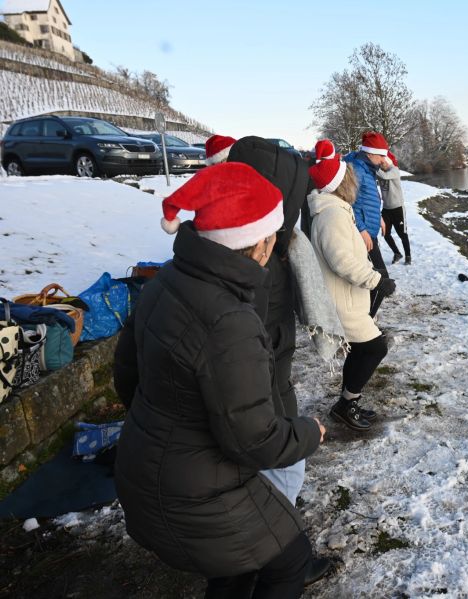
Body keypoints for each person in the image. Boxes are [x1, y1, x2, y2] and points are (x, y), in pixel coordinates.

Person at [113, 163, 329, 598]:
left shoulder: (166, 281)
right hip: (193, 496)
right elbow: (254, 442)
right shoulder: (230, 320)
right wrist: (310, 432)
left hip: (141, 472)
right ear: (259, 243)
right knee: (289, 561)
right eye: (273, 234)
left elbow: (126, 376)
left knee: (235, 565)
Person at [226, 135, 316, 504]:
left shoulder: (255, 256)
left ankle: (281, 498)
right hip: (271, 385)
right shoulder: (272, 251)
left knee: (275, 420)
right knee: (280, 408)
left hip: (267, 390)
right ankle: (281, 497)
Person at [307, 157, 396, 432]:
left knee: (362, 348)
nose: (355, 181)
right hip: (342, 301)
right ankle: (346, 405)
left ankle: (347, 402)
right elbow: (341, 261)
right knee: (374, 347)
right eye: (351, 177)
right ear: (342, 183)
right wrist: (376, 280)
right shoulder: (332, 216)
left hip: (348, 297)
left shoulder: (338, 210)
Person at [343, 131, 391, 316]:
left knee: (373, 280)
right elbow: (349, 203)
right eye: (381, 155)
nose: (383, 160)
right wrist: (362, 230)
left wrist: (378, 217)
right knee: (381, 280)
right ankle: (365, 324)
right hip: (363, 236)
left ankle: (364, 320)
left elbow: (366, 199)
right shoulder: (357, 169)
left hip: (369, 233)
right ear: (370, 153)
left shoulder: (367, 168)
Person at [377, 151, 411, 265]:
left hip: (397, 208)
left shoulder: (394, 170)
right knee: (385, 233)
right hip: (386, 209)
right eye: (380, 163)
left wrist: (374, 167)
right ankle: (397, 253)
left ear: (388, 161)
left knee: (402, 234)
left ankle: (408, 256)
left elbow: (385, 176)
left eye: (383, 162)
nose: (381, 164)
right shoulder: (381, 171)